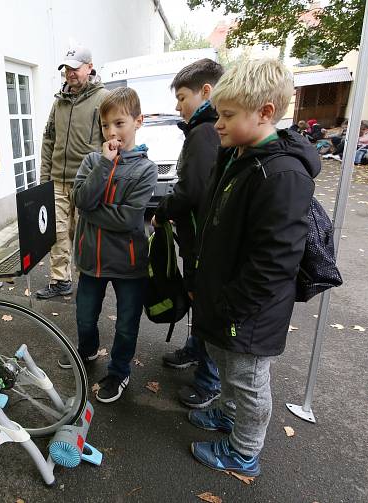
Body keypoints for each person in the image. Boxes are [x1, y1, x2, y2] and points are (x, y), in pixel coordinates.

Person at [188, 58, 318, 477]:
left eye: (226, 116)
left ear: (265, 112)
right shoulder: (240, 155)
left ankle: (245, 451)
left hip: (248, 310)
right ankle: (228, 417)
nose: (217, 124)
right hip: (226, 299)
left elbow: (276, 259)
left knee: (247, 377)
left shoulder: (282, 174)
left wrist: (231, 303)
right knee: (226, 365)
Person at [67, 87, 157, 403]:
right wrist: (105, 165)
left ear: (138, 121)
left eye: (119, 123)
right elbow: (80, 199)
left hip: (129, 264)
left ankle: (119, 371)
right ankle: (87, 351)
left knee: (127, 326)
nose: (112, 132)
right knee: (84, 316)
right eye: (106, 125)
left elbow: (128, 220)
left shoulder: (147, 169)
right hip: (91, 260)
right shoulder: (93, 160)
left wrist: (91, 209)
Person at [151, 58, 224, 409]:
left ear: (205, 92)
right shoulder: (205, 130)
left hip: (202, 241)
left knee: (203, 302)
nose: (177, 106)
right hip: (197, 237)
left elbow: (191, 190)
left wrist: (163, 211)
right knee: (197, 297)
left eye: (182, 97)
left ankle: (209, 381)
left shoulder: (204, 132)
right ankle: (195, 350)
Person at [37, 45, 109, 299]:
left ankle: (86, 279)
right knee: (56, 233)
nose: (70, 73)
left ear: (89, 67)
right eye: (66, 68)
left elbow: (110, 141)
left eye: (75, 68)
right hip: (57, 179)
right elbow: (48, 140)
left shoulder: (104, 99)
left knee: (82, 234)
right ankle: (60, 281)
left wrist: (101, 179)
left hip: (85, 182)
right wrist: (44, 179)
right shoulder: (59, 102)